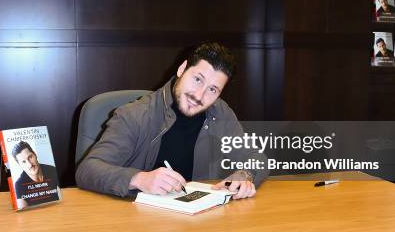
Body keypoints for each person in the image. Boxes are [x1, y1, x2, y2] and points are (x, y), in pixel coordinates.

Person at [75, 42, 269, 200]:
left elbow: (257, 159)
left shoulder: (221, 113)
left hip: (197, 221)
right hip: (134, 222)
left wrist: (243, 176)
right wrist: (139, 179)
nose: (199, 95)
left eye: (212, 90)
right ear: (182, 69)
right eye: (197, 79)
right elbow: (88, 170)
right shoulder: (135, 115)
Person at [12, 141, 59, 208]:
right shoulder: (19, 184)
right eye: (23, 162)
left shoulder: (52, 170)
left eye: (30, 157)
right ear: (20, 165)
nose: (30, 164)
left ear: (35, 154)